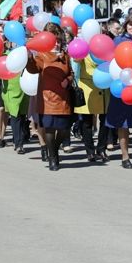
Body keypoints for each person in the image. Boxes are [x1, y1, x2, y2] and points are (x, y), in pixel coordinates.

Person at [25, 22, 74, 171]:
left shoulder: (65, 54)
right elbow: (33, 69)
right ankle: (53, 157)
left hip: (64, 98)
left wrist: (68, 80)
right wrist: (29, 58)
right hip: (47, 99)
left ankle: (53, 149)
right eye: (53, 37)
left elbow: (71, 73)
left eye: (57, 37)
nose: (56, 40)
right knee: (50, 130)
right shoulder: (42, 55)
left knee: (65, 129)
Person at [107, 13, 132, 169]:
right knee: (123, 124)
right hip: (121, 86)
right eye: (131, 24)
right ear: (126, 25)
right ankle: (125, 156)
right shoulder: (118, 41)